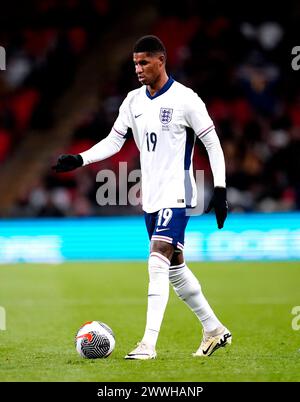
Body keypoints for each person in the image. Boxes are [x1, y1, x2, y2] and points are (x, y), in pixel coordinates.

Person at [53, 35, 232, 360]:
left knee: (156, 259)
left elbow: (213, 143)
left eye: (144, 61)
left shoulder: (186, 99)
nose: (138, 68)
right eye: (135, 62)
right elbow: (113, 142)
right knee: (175, 267)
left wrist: (219, 189)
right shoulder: (133, 101)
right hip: (151, 196)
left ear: (161, 61)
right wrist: (80, 159)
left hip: (178, 192)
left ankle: (147, 344)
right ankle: (214, 329)